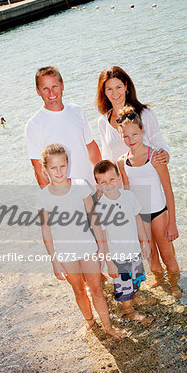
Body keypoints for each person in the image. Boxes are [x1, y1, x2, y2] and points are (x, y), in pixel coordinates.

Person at [36, 143, 124, 339]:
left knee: (97, 289)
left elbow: (95, 221)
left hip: (87, 247)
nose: (58, 171)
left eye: (62, 166)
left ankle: (108, 327)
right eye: (53, 167)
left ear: (68, 164)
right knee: (78, 290)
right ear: (45, 169)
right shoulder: (43, 197)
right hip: (65, 252)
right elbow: (46, 230)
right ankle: (90, 322)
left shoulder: (80, 186)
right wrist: (54, 260)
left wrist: (103, 250)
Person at [96, 65, 171, 285]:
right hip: (125, 191)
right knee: (145, 244)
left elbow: (158, 141)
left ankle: (175, 282)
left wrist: (165, 154)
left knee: (164, 243)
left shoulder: (144, 114)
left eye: (119, 86)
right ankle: (159, 281)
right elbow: (107, 156)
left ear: (126, 86)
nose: (115, 92)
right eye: (109, 89)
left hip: (148, 184)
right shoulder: (103, 121)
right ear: (104, 92)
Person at [116, 106, 182, 298]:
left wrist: (172, 222)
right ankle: (159, 280)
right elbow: (127, 195)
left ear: (142, 132)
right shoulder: (122, 162)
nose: (131, 140)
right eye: (126, 136)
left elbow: (168, 191)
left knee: (167, 254)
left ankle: (175, 285)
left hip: (159, 213)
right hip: (140, 217)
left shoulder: (155, 156)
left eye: (134, 134)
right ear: (121, 136)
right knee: (151, 254)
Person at [94, 160, 154, 324]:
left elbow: (138, 219)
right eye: (103, 182)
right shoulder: (101, 207)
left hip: (134, 250)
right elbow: (103, 238)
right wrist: (109, 262)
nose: (109, 184)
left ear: (119, 178)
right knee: (123, 286)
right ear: (98, 185)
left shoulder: (129, 196)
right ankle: (129, 311)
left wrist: (145, 242)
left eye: (112, 179)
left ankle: (134, 298)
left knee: (136, 278)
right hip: (117, 257)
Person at [25, 66, 101, 189]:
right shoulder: (34, 125)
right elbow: (39, 170)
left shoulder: (77, 110)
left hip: (90, 186)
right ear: (38, 91)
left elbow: (91, 147)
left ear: (62, 86)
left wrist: (101, 179)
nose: (51, 93)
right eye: (45, 88)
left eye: (55, 86)